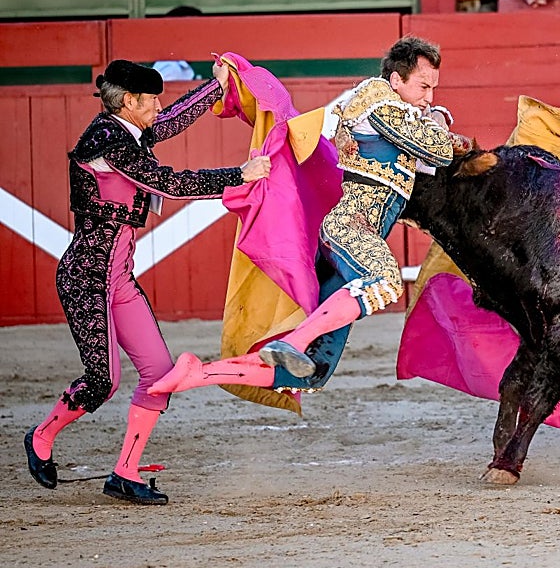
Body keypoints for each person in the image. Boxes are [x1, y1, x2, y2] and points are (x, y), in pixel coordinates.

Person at [150, 37, 461, 396]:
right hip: (350, 228)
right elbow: (437, 150)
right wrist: (439, 118)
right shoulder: (377, 101)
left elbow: (425, 155)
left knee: (312, 371)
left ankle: (197, 374)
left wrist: (432, 117)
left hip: (350, 244)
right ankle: (295, 342)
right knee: (385, 280)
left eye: (433, 90)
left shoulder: (397, 112)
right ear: (395, 80)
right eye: (424, 86)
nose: (429, 97)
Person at [23, 60, 271, 504]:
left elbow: (173, 119)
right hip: (87, 275)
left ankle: (125, 471)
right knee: (103, 381)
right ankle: (41, 435)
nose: (158, 105)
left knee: (158, 373)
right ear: (129, 102)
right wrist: (240, 174)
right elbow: (168, 183)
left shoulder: (127, 131)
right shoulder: (105, 139)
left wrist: (216, 88)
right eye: (151, 99)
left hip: (117, 275)